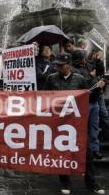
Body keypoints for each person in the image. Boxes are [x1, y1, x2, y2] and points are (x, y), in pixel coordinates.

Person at [44, 53, 105, 195]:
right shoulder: (51, 79)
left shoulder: (80, 79)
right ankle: (65, 182)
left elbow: (89, 98)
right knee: (61, 153)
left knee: (87, 154)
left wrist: (98, 89)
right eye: (57, 64)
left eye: (61, 64)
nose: (58, 67)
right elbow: (44, 98)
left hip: (77, 124)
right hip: (59, 123)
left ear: (69, 64)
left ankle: (92, 184)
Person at [71, 51, 104, 159]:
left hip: (94, 101)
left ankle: (95, 149)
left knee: (94, 127)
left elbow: (99, 73)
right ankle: (80, 150)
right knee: (80, 128)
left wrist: (100, 82)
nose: (85, 59)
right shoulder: (73, 70)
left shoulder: (88, 66)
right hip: (83, 103)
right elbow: (81, 85)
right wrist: (90, 76)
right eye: (83, 57)